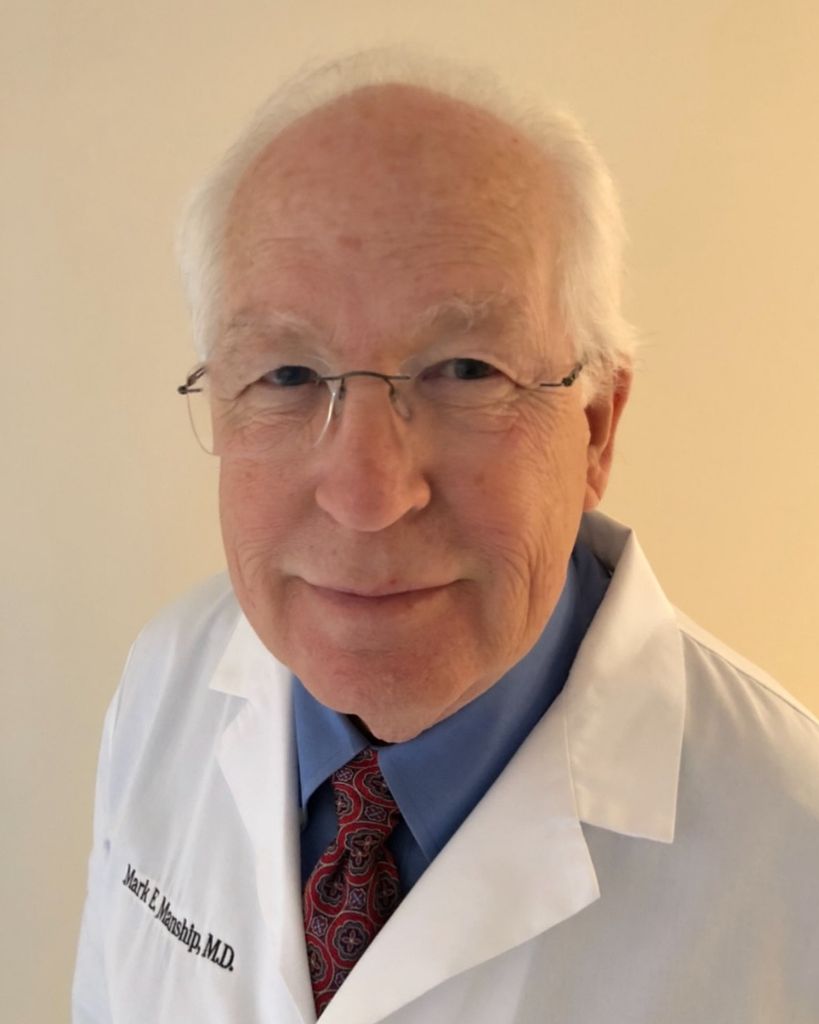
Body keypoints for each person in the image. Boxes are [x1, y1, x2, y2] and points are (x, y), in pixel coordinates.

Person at [73, 52, 819, 1023]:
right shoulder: (164, 680)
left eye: (465, 370)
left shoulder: (791, 855)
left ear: (596, 428)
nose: (366, 495)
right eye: (287, 376)